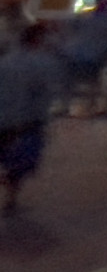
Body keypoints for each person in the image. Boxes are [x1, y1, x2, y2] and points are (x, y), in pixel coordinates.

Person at [0, 21, 63, 215]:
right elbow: (45, 93)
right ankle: (11, 198)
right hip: (27, 122)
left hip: (5, 118)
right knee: (18, 164)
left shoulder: (7, 60)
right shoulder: (44, 63)